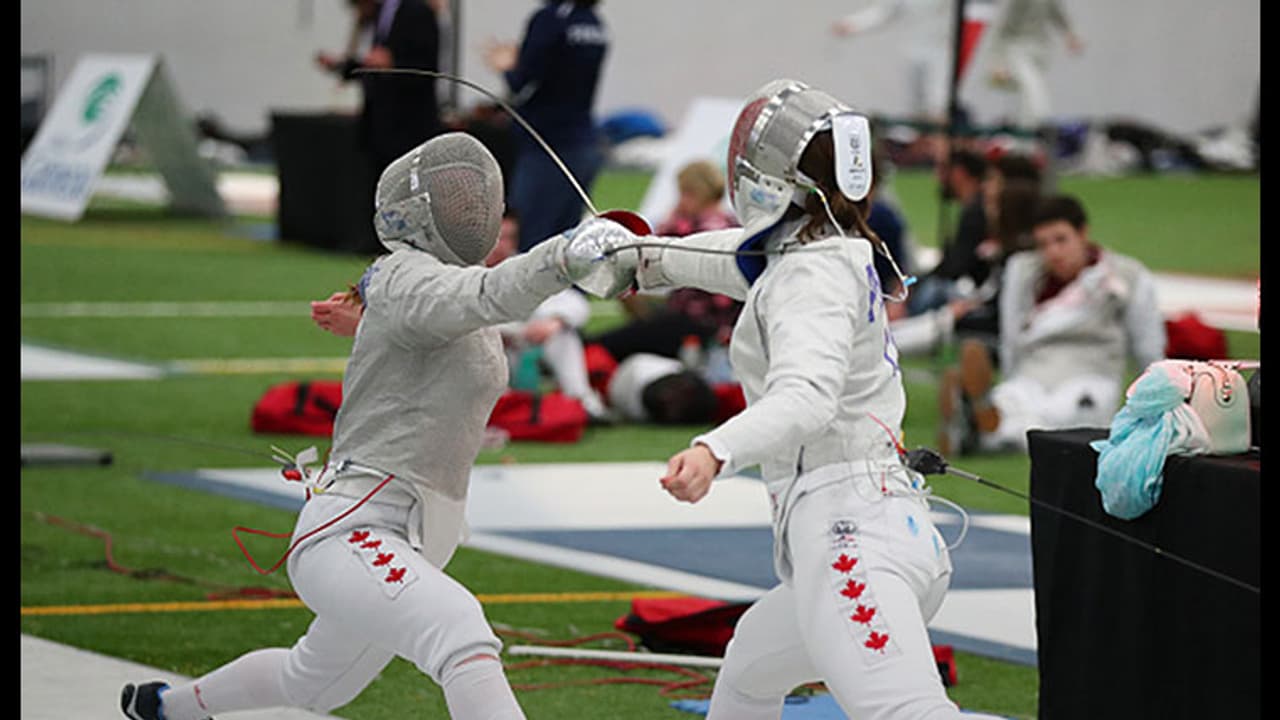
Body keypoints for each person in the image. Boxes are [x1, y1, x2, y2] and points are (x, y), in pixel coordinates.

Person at [119, 132, 634, 720]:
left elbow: (437, 308)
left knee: (312, 682)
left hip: (414, 532)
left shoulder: (417, 282)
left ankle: (163, 709)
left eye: (479, 201)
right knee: (459, 631)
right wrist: (564, 254)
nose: (478, 214)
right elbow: (482, 295)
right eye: (462, 202)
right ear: (424, 213)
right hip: (354, 526)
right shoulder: (409, 277)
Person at [563, 78, 1004, 719]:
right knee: (750, 670)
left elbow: (807, 395)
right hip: (874, 530)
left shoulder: (811, 276)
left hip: (853, 545)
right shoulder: (812, 249)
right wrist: (643, 257)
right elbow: (735, 260)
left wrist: (716, 449)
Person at [938, 193, 1166, 457]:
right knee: (1014, 400)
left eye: (1061, 240)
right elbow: (1011, 337)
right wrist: (1012, 376)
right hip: (1033, 372)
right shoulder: (1025, 272)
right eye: (1043, 244)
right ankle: (982, 419)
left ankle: (978, 429)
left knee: (1060, 420)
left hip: (1091, 375)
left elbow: (1148, 347)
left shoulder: (1127, 275)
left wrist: (1152, 409)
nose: (1053, 252)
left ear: (1083, 233)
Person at [317, 0, 444, 253]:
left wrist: (394, 63)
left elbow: (426, 67)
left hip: (407, 123)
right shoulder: (381, 15)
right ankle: (373, 239)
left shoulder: (417, 12)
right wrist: (345, 67)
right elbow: (374, 64)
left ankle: (402, 244)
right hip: (379, 121)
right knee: (375, 182)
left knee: (402, 186)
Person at [485, 0, 609, 252]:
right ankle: (569, 292)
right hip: (582, 141)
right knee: (567, 243)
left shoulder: (550, 19)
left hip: (546, 144)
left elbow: (524, 83)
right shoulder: (595, 24)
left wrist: (508, 66)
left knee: (531, 241)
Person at [593, 159, 742, 363]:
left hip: (697, 320)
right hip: (720, 318)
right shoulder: (732, 223)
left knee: (605, 340)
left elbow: (646, 247)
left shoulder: (693, 226)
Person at [830, 0, 952, 127]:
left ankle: (938, 139)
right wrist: (853, 23)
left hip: (939, 52)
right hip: (912, 52)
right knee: (915, 106)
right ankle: (916, 140)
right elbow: (885, 11)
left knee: (936, 105)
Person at [907, 147, 989, 316]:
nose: (937, 177)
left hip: (971, 292)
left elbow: (953, 268)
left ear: (958, 173)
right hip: (967, 286)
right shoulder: (972, 209)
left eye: (943, 170)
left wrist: (912, 283)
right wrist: (911, 281)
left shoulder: (976, 213)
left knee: (931, 291)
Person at [985, 0, 1084, 134]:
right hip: (1018, 47)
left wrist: (1071, 36)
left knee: (1028, 93)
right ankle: (1042, 121)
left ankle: (1028, 132)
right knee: (1032, 85)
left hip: (1040, 49)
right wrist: (997, 63)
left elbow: (1059, 16)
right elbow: (1003, 29)